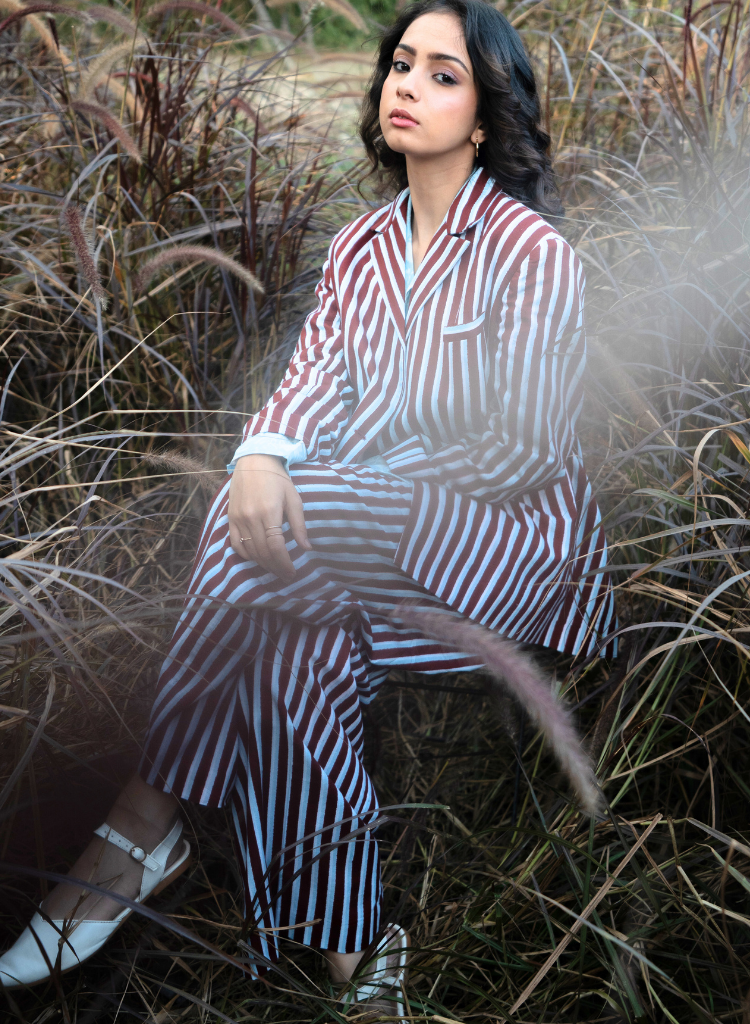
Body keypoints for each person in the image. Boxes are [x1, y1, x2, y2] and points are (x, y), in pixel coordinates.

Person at [0, 0, 616, 1012]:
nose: (408, 85)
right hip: (373, 542)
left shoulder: (529, 252)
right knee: (293, 633)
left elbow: (521, 448)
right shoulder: (361, 247)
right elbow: (310, 385)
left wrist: (327, 481)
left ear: (487, 114)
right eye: (401, 63)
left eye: (445, 74)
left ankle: (141, 826)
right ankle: (357, 958)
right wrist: (258, 455)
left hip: (505, 551)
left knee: (276, 521)